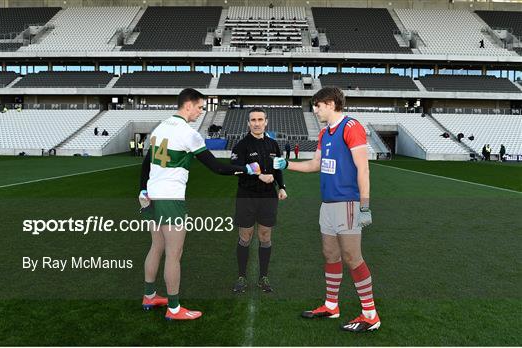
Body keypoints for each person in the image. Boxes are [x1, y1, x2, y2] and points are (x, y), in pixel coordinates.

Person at [139, 88, 261, 320]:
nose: (201, 112)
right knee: (174, 253)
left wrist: (142, 188)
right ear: (188, 105)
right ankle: (174, 308)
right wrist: (246, 169)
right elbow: (217, 167)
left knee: (156, 247)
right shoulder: (188, 132)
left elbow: (146, 163)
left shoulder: (161, 127)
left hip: (152, 196)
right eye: (200, 107)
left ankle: (149, 295)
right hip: (171, 199)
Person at [273, 87, 380, 332]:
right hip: (328, 204)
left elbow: (363, 169)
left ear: (330, 104)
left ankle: (370, 314)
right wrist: (286, 164)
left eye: (317, 105)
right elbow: (315, 164)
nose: (315, 110)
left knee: (353, 257)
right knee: (330, 255)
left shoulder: (351, 127)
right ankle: (332, 305)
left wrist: (364, 206)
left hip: (348, 204)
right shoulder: (324, 133)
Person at [230, 108, 287, 293]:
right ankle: (241, 276)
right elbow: (235, 168)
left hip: (268, 197)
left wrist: (282, 187)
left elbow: (278, 168)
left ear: (266, 122)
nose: (256, 123)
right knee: (245, 236)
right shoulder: (241, 145)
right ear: (248, 123)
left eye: (260, 119)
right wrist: (258, 175)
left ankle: (263, 276)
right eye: (253, 120)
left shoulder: (273, 144)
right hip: (247, 196)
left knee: (265, 236)